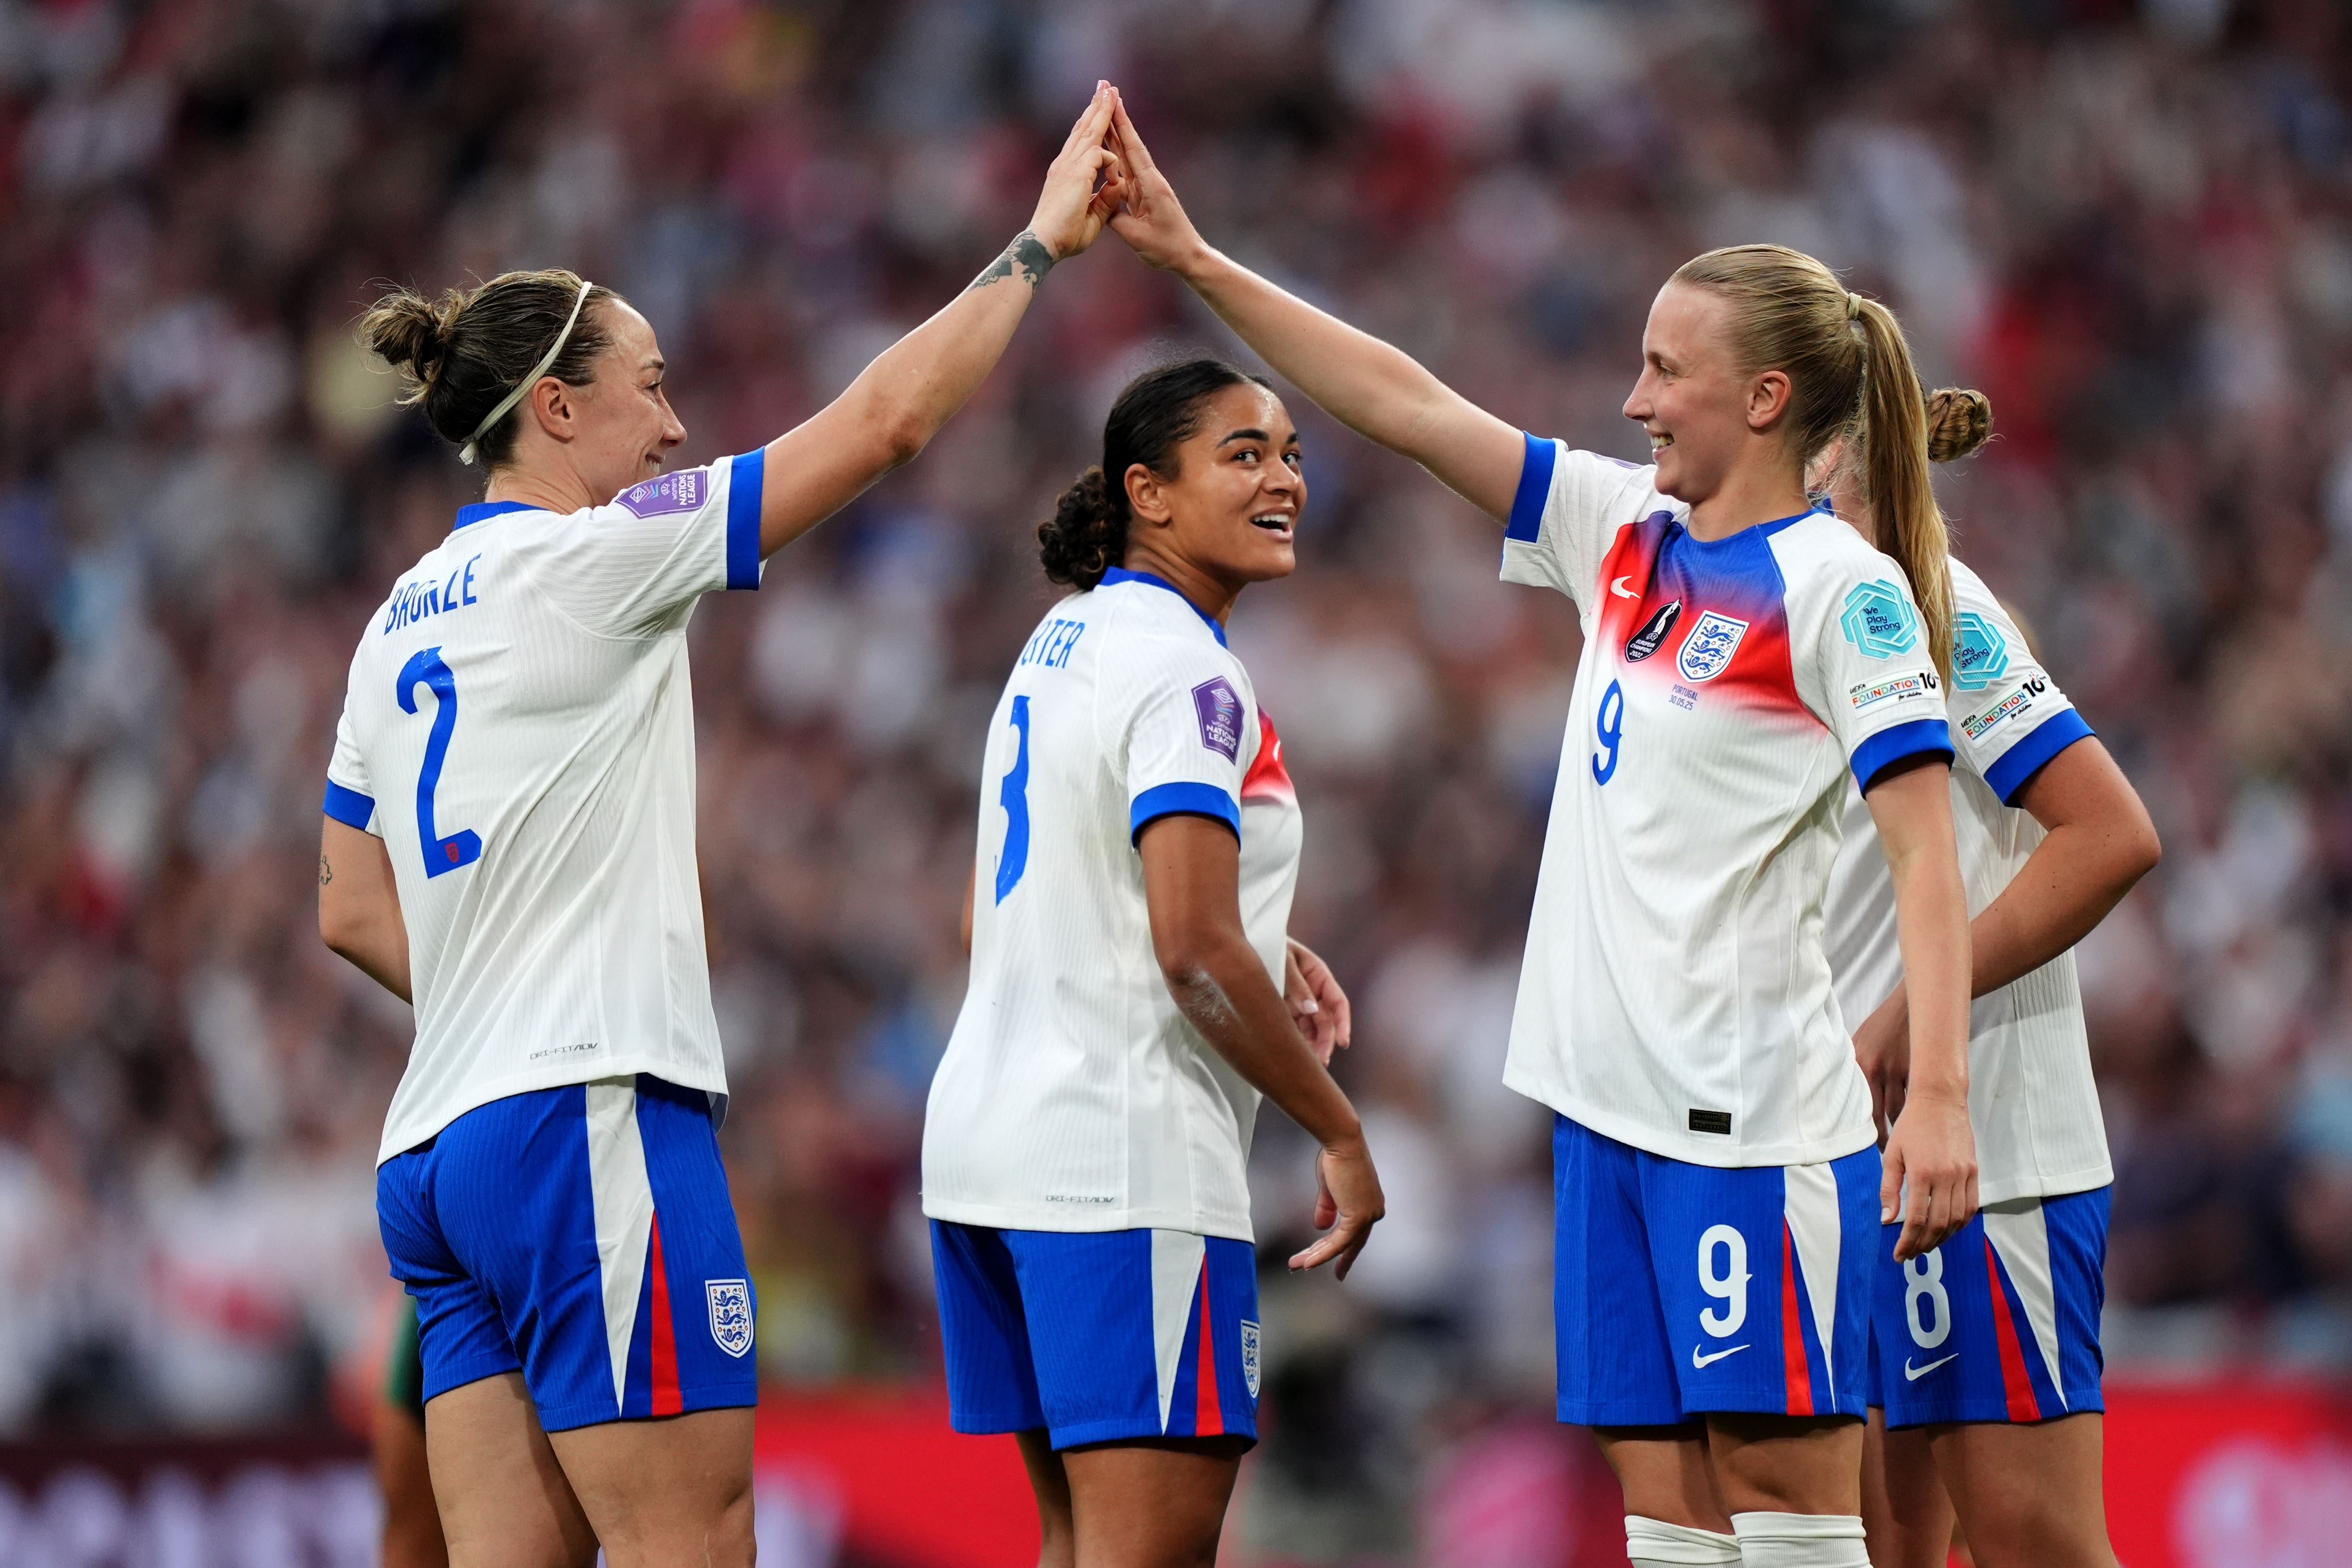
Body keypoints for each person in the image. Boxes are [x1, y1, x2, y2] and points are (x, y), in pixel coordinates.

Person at [1101, 98, 1980, 1568]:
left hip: (1748, 1120)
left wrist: (1939, 1092)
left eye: (1666, 369)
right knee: (1668, 1515)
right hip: (1603, 1116)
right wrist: (1195, 260)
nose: (1634, 400)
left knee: (1790, 1506)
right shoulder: (1621, 529)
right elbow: (1404, 401)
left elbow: (1925, 856)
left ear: (1765, 398)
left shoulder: (1843, 590)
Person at [316, 86, 1128, 1568]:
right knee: (691, 1539)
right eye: (649, 384)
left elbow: (347, 906)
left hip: (436, 1149)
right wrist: (1037, 248)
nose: (676, 422)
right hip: (582, 1112)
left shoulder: (389, 627)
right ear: (556, 408)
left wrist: (492, 997)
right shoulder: (595, 558)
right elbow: (885, 422)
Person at [921, 358, 1385, 1568]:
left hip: (986, 1156)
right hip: (1121, 1169)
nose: (1283, 479)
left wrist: (1256, 929)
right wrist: (1337, 1129)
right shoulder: (1189, 668)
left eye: (1289, 453)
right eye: (1244, 454)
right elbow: (1191, 952)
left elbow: (998, 913)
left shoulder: (1060, 639)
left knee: (1073, 1545)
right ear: (1149, 492)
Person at [1815, 424, 2159, 1568]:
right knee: (1886, 1549)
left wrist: (1912, 1010)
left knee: (2036, 1545)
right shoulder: (1800, 619)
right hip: (1862, 1158)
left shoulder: (1924, 607)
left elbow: (2110, 834)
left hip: (1993, 1163)